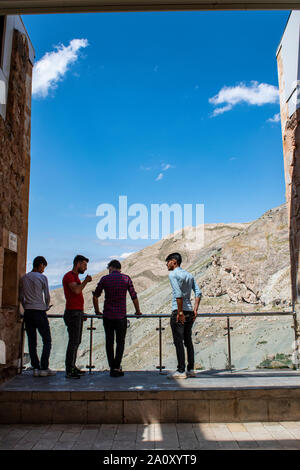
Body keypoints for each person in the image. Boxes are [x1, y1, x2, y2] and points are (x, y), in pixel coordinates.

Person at [93, 259, 142, 377]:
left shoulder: (104, 279)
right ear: (119, 268)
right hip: (121, 316)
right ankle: (117, 366)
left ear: (110, 268)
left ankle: (111, 367)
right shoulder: (126, 278)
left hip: (108, 316)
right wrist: (137, 311)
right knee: (120, 342)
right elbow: (133, 296)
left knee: (109, 342)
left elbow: (95, 296)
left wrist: (97, 311)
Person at [166, 252, 202, 379]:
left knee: (178, 341)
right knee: (188, 340)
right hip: (190, 311)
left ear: (174, 262)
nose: (167, 264)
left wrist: (180, 312)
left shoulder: (173, 274)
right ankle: (191, 369)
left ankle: (181, 371)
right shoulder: (189, 275)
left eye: (168, 261)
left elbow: (178, 293)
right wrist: (195, 310)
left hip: (179, 311)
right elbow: (198, 292)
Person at [19, 256, 55, 377]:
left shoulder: (24, 278)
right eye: (43, 266)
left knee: (31, 340)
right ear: (40, 265)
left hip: (28, 312)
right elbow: (47, 295)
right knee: (47, 340)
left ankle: (35, 366)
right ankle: (44, 367)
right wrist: (45, 307)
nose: (43, 269)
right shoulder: (42, 277)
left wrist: (25, 306)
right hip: (39, 311)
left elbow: (21, 296)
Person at [62, 255, 92, 379]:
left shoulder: (75, 277)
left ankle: (72, 367)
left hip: (77, 312)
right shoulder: (69, 276)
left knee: (76, 341)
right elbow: (76, 291)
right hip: (72, 313)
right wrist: (86, 281)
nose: (85, 268)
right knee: (73, 341)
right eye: (84, 265)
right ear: (78, 264)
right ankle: (69, 369)